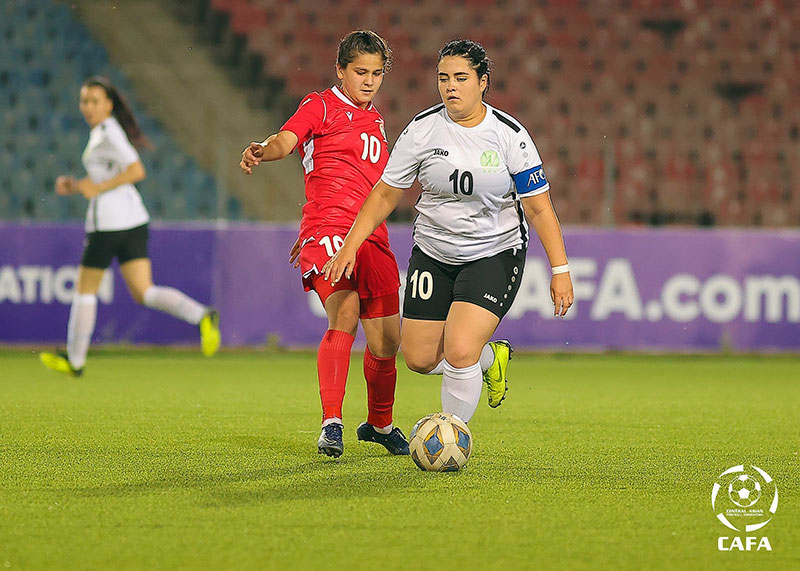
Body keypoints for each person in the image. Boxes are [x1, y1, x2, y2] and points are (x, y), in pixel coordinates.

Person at [323, 39, 574, 424]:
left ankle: (452, 435)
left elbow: (539, 208)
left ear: (482, 82)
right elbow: (385, 194)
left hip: (493, 252)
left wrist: (560, 270)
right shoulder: (422, 130)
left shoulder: (509, 135)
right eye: (443, 78)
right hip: (433, 253)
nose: (450, 86)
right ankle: (491, 358)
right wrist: (349, 246)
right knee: (419, 359)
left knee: (458, 351)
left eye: (460, 78)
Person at [239, 30, 408, 458]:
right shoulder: (320, 105)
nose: (369, 81)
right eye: (360, 72)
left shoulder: (376, 120)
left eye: (376, 73)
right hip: (329, 230)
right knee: (345, 313)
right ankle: (331, 422)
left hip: (372, 236)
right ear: (340, 70)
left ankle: (379, 424)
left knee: (387, 342)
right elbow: (287, 139)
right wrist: (264, 149)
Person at [40, 76, 221, 377]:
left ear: (109, 105)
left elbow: (136, 170)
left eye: (95, 101)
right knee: (144, 291)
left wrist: (97, 188)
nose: (88, 107)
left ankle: (75, 359)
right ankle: (201, 315)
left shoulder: (109, 132)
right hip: (133, 220)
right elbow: (108, 177)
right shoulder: (105, 131)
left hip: (109, 224)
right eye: (84, 100)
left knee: (85, 290)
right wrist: (77, 186)